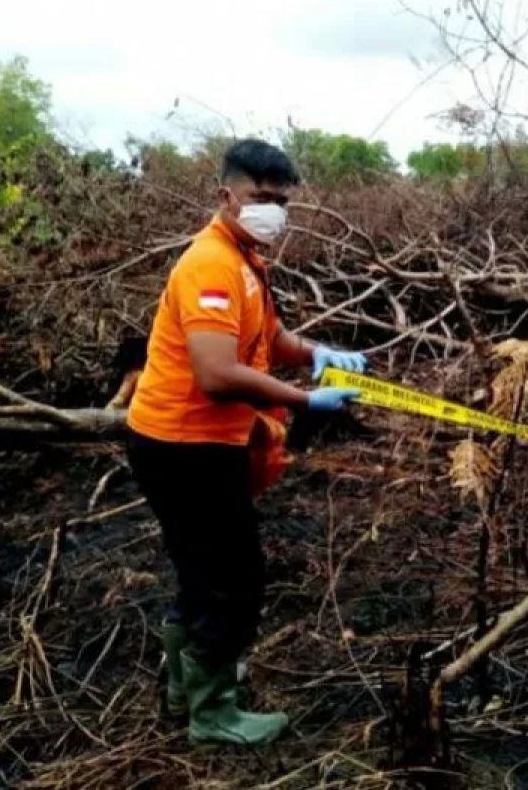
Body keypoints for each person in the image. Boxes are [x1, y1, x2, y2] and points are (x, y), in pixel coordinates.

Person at [124, 138, 364, 746]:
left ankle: (185, 690)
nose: (272, 210)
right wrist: (306, 401)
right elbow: (216, 372)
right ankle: (214, 714)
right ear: (225, 194)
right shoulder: (210, 264)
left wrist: (315, 355)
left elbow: (269, 333)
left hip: (199, 443)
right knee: (235, 578)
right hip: (184, 448)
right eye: (260, 197)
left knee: (200, 571)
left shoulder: (245, 258)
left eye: (281, 200)